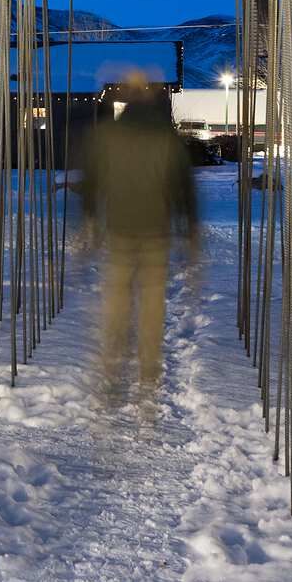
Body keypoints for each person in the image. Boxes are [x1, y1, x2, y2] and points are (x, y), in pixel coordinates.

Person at [81, 74, 199, 415]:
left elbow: (92, 182)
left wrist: (90, 219)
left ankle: (113, 369)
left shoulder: (107, 136)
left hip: (119, 231)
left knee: (117, 303)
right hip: (156, 233)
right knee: (152, 304)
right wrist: (190, 228)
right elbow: (184, 188)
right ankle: (148, 373)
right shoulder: (166, 139)